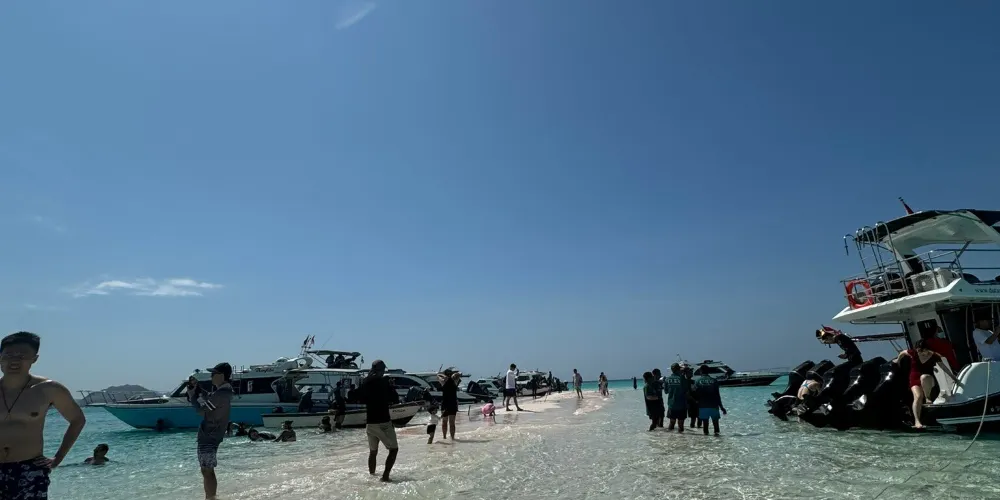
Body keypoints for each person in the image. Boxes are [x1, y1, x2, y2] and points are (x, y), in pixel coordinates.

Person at [0, 331, 86, 500]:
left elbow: (77, 420)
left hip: (29, 468)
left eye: (22, 355)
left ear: (34, 358)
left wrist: (58, 458)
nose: (14, 360)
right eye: (8, 355)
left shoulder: (48, 389)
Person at [894, 340, 962, 429]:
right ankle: (917, 421)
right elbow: (902, 352)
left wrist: (953, 377)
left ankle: (928, 398)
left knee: (924, 377)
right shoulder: (913, 353)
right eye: (919, 351)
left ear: (927, 349)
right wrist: (898, 361)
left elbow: (943, 367)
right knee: (918, 397)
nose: (921, 353)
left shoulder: (934, 356)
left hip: (928, 379)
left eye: (923, 351)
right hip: (914, 377)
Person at [196, 362, 234, 500]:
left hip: (209, 435)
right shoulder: (224, 392)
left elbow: (201, 411)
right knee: (206, 469)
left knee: (208, 470)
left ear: (222, 375)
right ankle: (210, 497)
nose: (211, 376)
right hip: (211, 434)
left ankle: (211, 498)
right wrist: (200, 393)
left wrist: (193, 397)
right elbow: (211, 404)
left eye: (213, 374)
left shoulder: (221, 394)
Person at [357, 360, 400, 482]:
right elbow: (395, 399)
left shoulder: (366, 382)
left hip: (370, 423)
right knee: (394, 450)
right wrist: (391, 386)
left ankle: (372, 476)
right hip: (383, 422)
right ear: (382, 370)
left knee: (373, 452)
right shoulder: (384, 382)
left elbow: (359, 397)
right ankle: (385, 477)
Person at [694, 365, 727, 436]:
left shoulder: (697, 381)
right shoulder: (714, 381)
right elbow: (717, 395)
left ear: (700, 371)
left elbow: (695, 395)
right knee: (716, 426)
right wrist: (721, 407)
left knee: (705, 426)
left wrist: (696, 405)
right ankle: (718, 440)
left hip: (703, 406)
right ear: (708, 371)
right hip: (714, 406)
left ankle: (706, 441)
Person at [663, 363, 688, 433]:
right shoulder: (682, 379)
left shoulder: (667, 379)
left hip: (672, 404)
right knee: (681, 425)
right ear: (678, 369)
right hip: (682, 404)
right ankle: (682, 438)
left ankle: (671, 438)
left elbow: (666, 391)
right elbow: (686, 390)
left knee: (671, 423)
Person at [437, 369, 461, 440]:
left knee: (446, 422)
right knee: (450, 422)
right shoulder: (454, 381)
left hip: (446, 404)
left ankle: (447, 437)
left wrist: (444, 375)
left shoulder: (444, 381)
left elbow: (438, 375)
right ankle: (450, 438)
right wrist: (448, 376)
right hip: (451, 403)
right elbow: (459, 374)